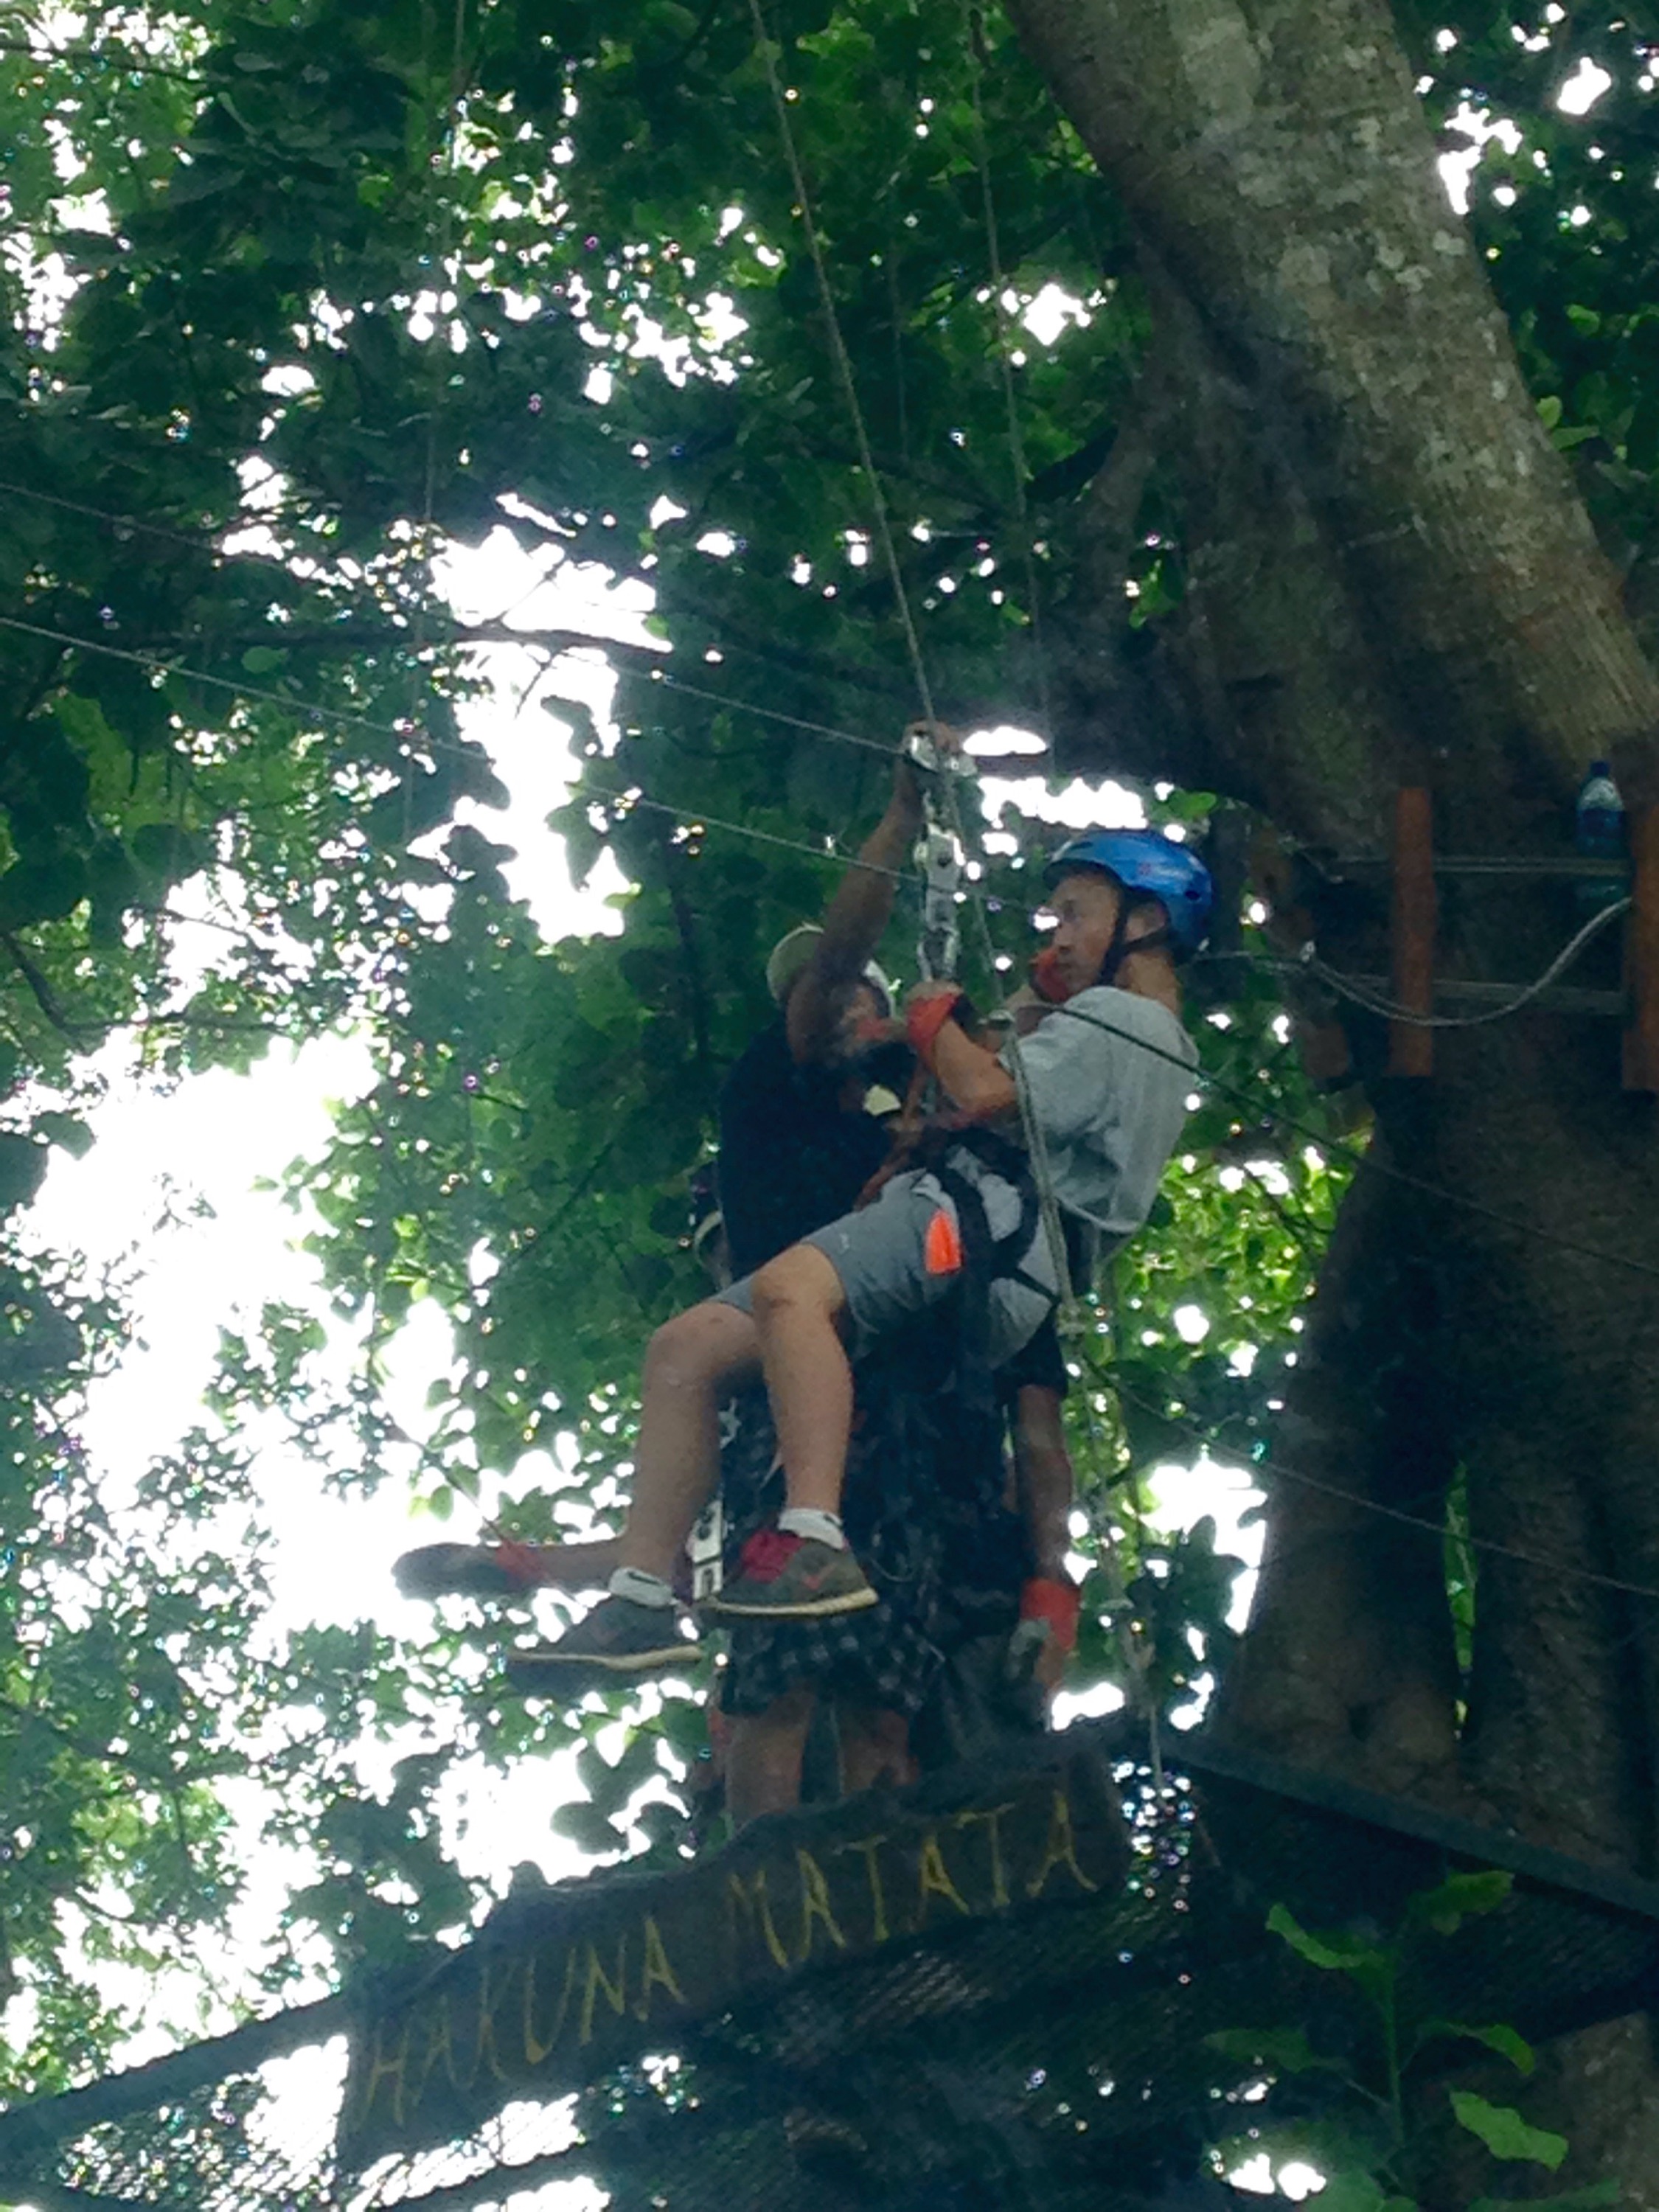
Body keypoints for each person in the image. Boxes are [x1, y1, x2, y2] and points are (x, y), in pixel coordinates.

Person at [524, 826, 1210, 1670]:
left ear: (1146, 920)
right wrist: (1010, 1013)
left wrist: (930, 1021)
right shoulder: (1129, 1036)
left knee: (789, 1291)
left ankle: (814, 1537)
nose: (1057, 935)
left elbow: (986, 1088)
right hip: (981, 1237)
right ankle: (637, 1597)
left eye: (1074, 913)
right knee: (687, 1349)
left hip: (978, 1231)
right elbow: (1023, 1081)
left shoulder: (1123, 1019)